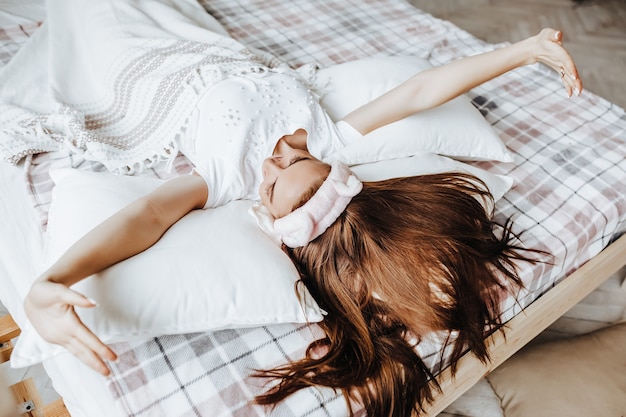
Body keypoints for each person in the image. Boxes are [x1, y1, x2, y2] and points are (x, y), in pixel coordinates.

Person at [24, 28, 581, 416]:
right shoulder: (333, 138)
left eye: (271, 182)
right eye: (292, 162)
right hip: (210, 51)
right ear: (331, 167)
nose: (271, 160)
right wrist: (525, 50)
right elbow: (418, 90)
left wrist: (52, 280)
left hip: (151, 70)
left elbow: (146, 214)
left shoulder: (225, 181)